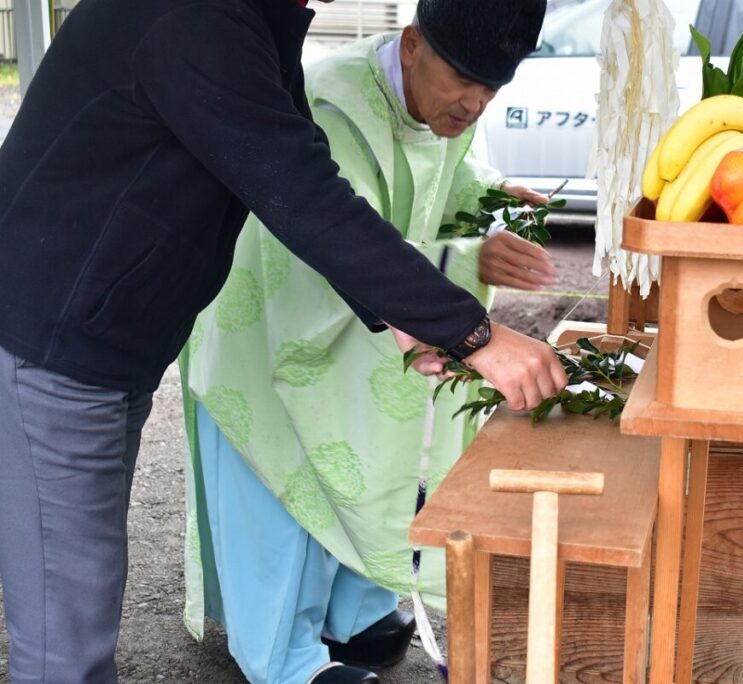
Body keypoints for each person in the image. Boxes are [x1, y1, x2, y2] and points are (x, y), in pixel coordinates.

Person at [0, 0, 565, 682]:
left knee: (85, 589)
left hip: (109, 344)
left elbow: (308, 183)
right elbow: (301, 193)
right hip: (53, 345)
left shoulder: (254, 23)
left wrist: (416, 316)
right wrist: (470, 331)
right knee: (67, 632)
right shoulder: (195, 19)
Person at [180, 3, 555, 682]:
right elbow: (339, 244)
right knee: (287, 491)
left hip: (377, 322)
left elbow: (449, 182)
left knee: (369, 466)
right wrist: (465, 266)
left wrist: (490, 216)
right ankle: (285, 661)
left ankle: (354, 612)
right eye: (465, 80)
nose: (475, 104)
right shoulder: (330, 103)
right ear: (411, 45)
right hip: (275, 324)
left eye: (493, 89)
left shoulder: (443, 104)